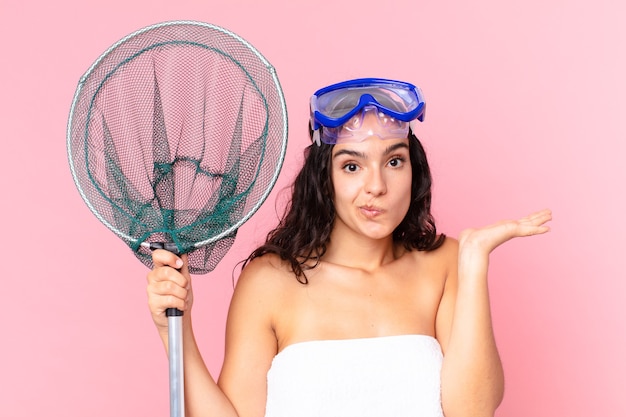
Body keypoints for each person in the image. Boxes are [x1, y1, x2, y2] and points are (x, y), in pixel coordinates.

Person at [147, 78, 552, 417]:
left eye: (394, 161)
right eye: (352, 166)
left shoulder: (446, 263)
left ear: (415, 169)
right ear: (325, 178)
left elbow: (473, 410)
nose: (376, 185)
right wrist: (173, 331)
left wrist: (474, 259)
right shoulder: (269, 281)